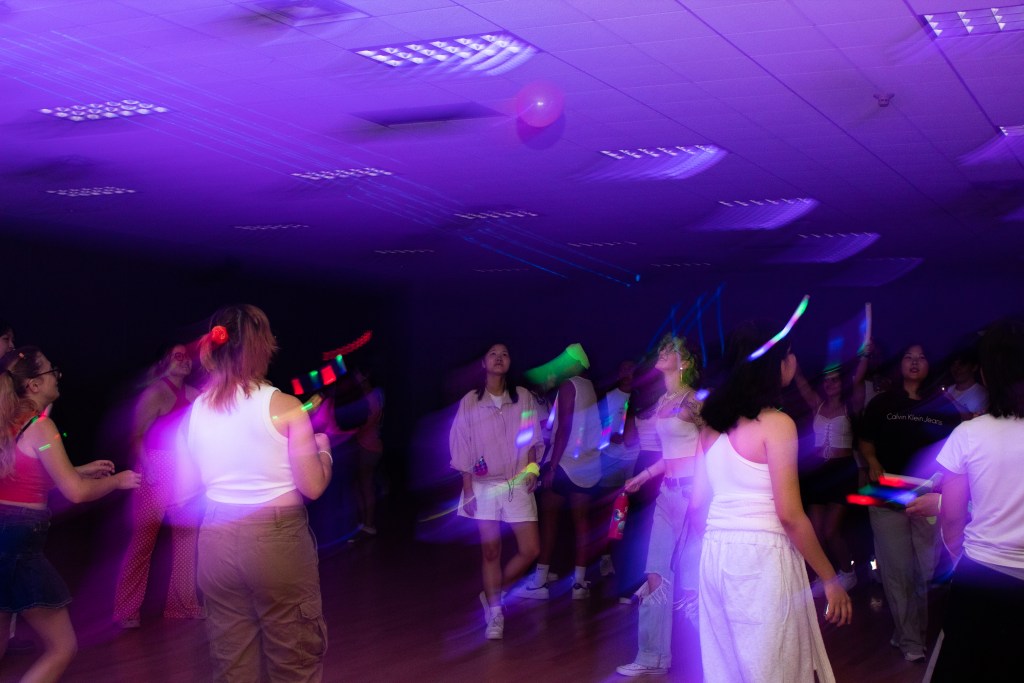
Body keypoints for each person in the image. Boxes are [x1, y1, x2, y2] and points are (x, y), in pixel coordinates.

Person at [694, 321, 851, 683]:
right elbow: (790, 515)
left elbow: (697, 502)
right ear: (774, 363)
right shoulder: (777, 424)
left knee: (725, 668)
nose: (793, 360)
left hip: (716, 551)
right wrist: (830, 578)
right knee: (772, 668)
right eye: (789, 353)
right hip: (760, 555)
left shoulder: (710, 427)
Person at [184, 305, 333, 682]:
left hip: (216, 539)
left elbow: (189, 485)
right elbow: (313, 486)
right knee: (294, 661)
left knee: (232, 664)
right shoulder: (284, 407)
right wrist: (324, 450)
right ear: (263, 346)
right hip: (274, 542)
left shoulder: (197, 409)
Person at [0, 347, 141, 682]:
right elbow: (76, 493)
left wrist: (77, 469)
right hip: (20, 546)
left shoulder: (7, 423)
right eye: (51, 371)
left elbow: (22, 477)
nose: (57, 376)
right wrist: (117, 481)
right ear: (33, 385)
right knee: (62, 647)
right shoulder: (41, 428)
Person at [927, 319, 1024, 680]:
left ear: (985, 375)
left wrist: (961, 560)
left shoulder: (968, 434)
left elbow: (952, 519)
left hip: (981, 575)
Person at [859, 343, 960, 662]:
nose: (915, 362)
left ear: (930, 364)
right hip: (887, 494)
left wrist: (946, 480)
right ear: (899, 363)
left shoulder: (943, 405)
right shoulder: (881, 403)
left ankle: (906, 630)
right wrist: (872, 460)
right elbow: (865, 441)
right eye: (908, 357)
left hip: (927, 496)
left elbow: (956, 451)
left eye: (922, 357)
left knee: (924, 571)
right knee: (897, 569)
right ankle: (911, 640)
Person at [616, 336, 702, 677]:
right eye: (662, 348)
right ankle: (652, 656)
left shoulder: (693, 402)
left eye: (671, 350)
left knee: (695, 583)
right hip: (667, 494)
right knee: (655, 576)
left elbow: (709, 447)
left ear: (684, 363)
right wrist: (643, 477)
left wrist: (701, 495)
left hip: (692, 496)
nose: (662, 353)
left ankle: (713, 656)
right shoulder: (665, 400)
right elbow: (671, 457)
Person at [450, 343, 543, 640]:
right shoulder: (471, 402)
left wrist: (532, 469)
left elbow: (531, 437)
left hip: (517, 483)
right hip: (483, 485)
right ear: (483, 362)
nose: (499, 358)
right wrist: (468, 489)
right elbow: (461, 443)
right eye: (493, 353)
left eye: (504, 354)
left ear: (510, 362)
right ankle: (495, 612)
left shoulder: (523, 398)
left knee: (531, 550)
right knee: (491, 550)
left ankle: (494, 592)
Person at [113, 344, 204, 628]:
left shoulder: (195, 396)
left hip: (186, 470)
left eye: (187, 357)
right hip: (157, 469)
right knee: (144, 540)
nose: (184, 361)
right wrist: (148, 468)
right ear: (165, 362)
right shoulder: (154, 394)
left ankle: (182, 605)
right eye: (177, 356)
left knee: (187, 539)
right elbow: (137, 435)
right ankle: (126, 610)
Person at [527, 344, 602, 600]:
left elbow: (564, 428)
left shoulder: (568, 385)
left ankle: (539, 582)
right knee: (582, 524)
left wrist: (552, 466)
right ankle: (579, 583)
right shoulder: (589, 387)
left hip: (566, 464)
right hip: (588, 466)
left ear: (574, 364)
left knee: (549, 521)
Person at [793, 349, 871, 595]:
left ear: (841, 382)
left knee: (831, 530)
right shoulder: (817, 405)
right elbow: (802, 383)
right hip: (819, 472)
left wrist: (864, 356)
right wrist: (792, 360)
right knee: (815, 532)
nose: (830, 384)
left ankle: (848, 573)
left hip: (841, 471)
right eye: (827, 380)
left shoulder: (850, 406)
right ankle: (823, 576)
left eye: (835, 379)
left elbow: (858, 379)